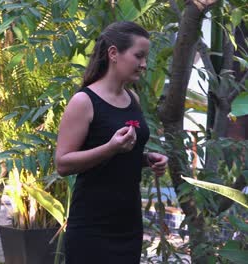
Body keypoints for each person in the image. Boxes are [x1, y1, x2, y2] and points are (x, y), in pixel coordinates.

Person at [55, 21, 168, 264]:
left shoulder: (132, 99)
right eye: (138, 56)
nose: (144, 64)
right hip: (91, 226)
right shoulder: (84, 101)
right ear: (114, 54)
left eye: (145, 57)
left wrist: (148, 160)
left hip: (128, 222)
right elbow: (62, 164)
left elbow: (121, 158)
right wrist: (110, 148)